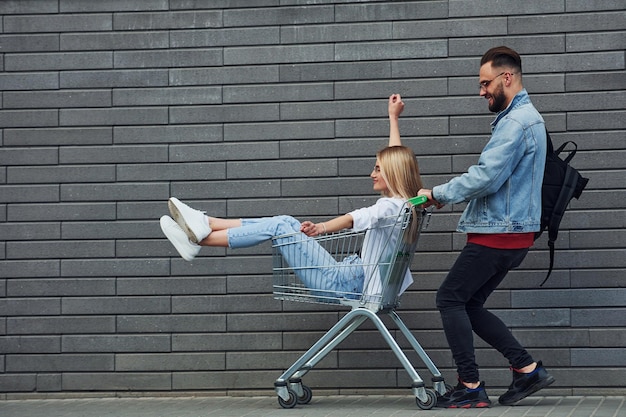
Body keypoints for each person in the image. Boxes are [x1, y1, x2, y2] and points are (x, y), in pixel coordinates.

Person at [160, 94, 423, 300]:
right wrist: (393, 119)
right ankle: (205, 226)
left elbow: (356, 217)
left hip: (343, 283)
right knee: (284, 221)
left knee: (279, 226)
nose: (372, 173)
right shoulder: (404, 204)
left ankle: (200, 236)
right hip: (347, 277)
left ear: (391, 173)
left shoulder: (389, 207)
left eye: (378, 169)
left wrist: (321, 227)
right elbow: (395, 159)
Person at [418, 46, 555, 408]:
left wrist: (438, 194)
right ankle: (526, 370)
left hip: (499, 232)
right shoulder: (524, 118)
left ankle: (470, 385)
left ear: (506, 78)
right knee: (471, 303)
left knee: (449, 299)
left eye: (485, 83)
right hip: (513, 234)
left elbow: (487, 177)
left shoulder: (516, 122)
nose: (481, 92)